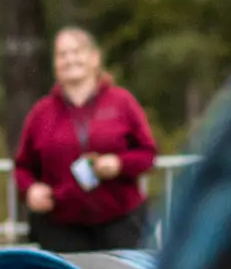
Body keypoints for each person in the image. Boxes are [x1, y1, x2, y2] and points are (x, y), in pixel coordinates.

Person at [13, 27, 157, 253]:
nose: (69, 59)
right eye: (62, 54)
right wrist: (30, 190)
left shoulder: (122, 102)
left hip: (121, 223)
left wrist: (120, 164)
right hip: (61, 228)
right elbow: (23, 167)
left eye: (76, 52)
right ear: (55, 63)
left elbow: (148, 154)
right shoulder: (41, 113)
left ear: (94, 58)